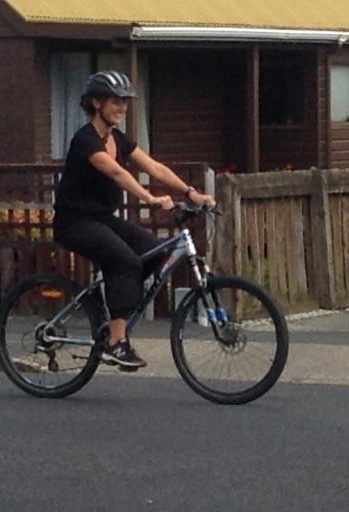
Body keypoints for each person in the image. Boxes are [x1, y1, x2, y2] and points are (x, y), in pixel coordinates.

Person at [53, 70, 215, 369]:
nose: (122, 108)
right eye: (116, 101)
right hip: (75, 222)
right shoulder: (85, 140)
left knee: (155, 252)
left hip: (101, 218)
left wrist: (191, 193)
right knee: (127, 262)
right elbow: (116, 172)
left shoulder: (118, 139)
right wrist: (150, 199)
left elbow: (154, 167)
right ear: (96, 103)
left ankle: (116, 304)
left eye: (125, 102)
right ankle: (116, 342)